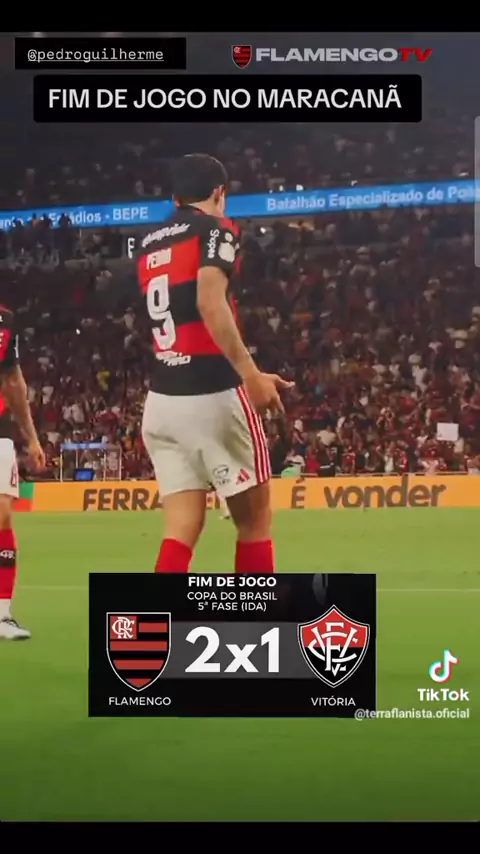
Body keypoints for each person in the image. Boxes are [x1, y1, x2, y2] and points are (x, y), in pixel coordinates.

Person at [138, 153, 292, 574]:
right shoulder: (216, 228)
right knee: (255, 523)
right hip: (212, 392)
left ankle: (156, 616)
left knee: (180, 530)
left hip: (162, 400)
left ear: (175, 197)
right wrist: (250, 374)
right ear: (219, 192)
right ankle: (252, 616)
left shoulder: (149, 241)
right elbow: (209, 301)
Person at [0, 305, 45, 639]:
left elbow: (13, 380)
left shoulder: (4, 320)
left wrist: (31, 438)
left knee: (3, 514)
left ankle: (2, 615)